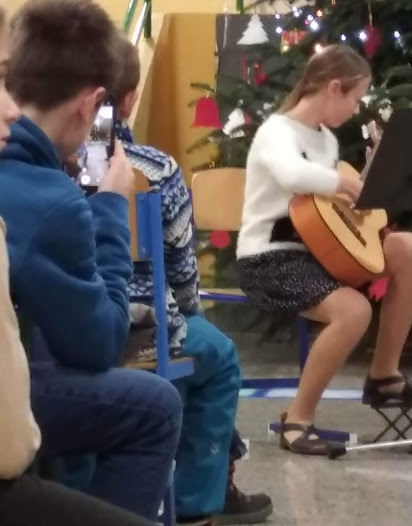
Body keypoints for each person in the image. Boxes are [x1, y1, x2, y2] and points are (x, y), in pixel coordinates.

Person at [0, 0, 183, 521]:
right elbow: (98, 345)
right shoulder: (52, 200)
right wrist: (109, 209)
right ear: (92, 104)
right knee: (156, 405)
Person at [237, 43, 412, 456]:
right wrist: (342, 183)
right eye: (355, 98)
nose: (356, 109)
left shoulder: (326, 141)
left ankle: (384, 376)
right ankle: (298, 419)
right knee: (354, 310)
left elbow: (330, 213)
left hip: (319, 251)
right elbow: (293, 176)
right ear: (333, 88)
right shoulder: (277, 131)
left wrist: (370, 180)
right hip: (270, 257)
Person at [112, 37, 272, 526]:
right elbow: (182, 278)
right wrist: (188, 314)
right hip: (138, 331)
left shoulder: (34, 165)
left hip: (42, 330)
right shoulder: (154, 169)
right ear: (129, 99)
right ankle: (197, 503)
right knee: (216, 354)